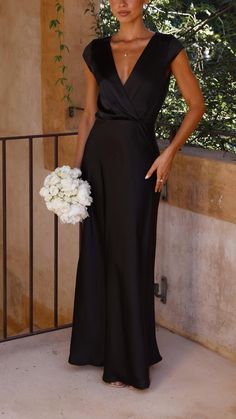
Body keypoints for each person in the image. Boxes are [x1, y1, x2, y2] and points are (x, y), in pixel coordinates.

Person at [68, 0, 205, 390]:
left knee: (132, 253)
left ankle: (130, 360)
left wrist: (170, 153)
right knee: (96, 252)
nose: (122, 3)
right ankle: (94, 347)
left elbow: (196, 107)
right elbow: (90, 115)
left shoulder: (166, 48)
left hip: (139, 164)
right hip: (97, 162)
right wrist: (75, 173)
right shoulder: (95, 50)